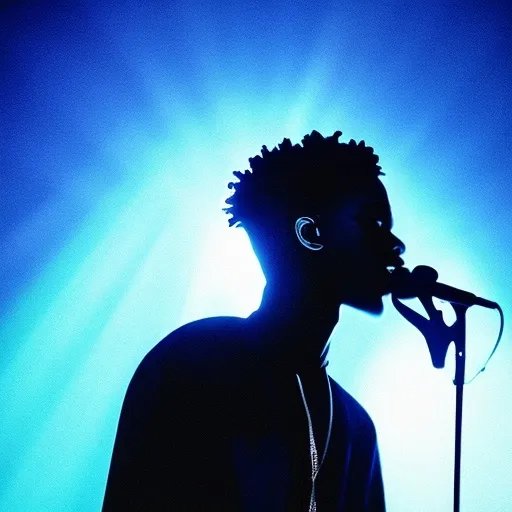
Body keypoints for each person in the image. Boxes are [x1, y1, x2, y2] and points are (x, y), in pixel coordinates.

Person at [102, 130, 406, 511]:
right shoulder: (195, 362)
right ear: (311, 234)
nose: (396, 245)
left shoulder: (357, 429)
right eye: (374, 223)